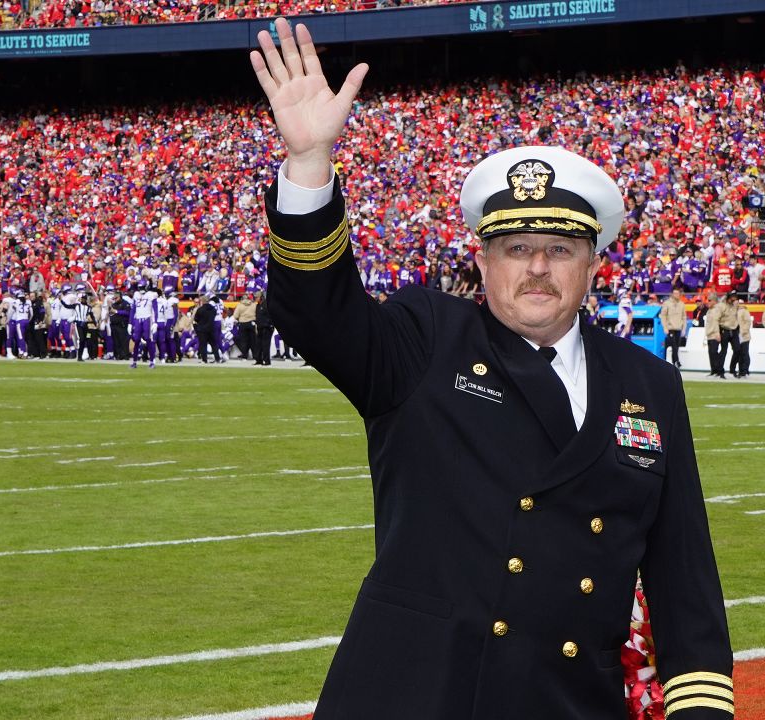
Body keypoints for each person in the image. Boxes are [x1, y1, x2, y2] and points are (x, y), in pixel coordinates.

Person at [250, 20, 733, 719]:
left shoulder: (646, 382)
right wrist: (308, 166)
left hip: (570, 702)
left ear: (593, 265)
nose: (537, 267)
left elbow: (682, 571)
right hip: (421, 695)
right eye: (515, 249)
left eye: (560, 249)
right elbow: (317, 313)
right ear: (481, 263)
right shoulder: (426, 339)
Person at [659, 287, 686, 367]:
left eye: (678, 293)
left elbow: (684, 317)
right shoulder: (667, 303)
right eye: (675, 293)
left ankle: (674, 363)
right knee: (674, 345)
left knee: (676, 346)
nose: (677, 295)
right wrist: (665, 327)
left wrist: (684, 328)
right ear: (672, 294)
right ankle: (676, 362)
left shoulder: (682, 304)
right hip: (670, 328)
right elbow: (663, 316)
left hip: (678, 328)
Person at [703, 292, 723, 377]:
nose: (708, 302)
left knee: (714, 352)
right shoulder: (710, 310)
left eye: (710, 300)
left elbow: (716, 322)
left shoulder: (716, 310)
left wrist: (717, 333)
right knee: (711, 353)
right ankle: (713, 370)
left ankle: (719, 370)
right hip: (709, 334)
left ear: (714, 301)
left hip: (714, 334)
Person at [731, 299, 752, 378]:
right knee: (740, 354)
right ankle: (742, 370)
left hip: (743, 335)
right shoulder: (735, 311)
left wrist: (743, 331)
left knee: (744, 353)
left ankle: (744, 370)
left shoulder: (743, 311)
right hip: (737, 335)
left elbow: (748, 322)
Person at [254, 290, 273, 366]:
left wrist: (269, 324)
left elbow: (270, 315)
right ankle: (259, 360)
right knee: (258, 344)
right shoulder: (258, 305)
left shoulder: (266, 304)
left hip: (266, 327)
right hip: (259, 327)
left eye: (257, 297)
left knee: (265, 345)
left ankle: (267, 361)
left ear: (261, 297)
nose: (255, 299)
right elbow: (257, 316)